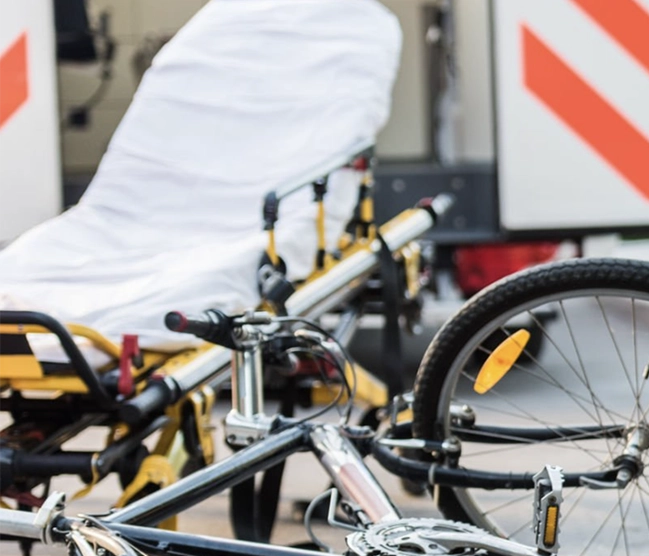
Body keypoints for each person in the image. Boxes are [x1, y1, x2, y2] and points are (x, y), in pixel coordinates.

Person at [0, 0, 401, 356]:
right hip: (127, 220)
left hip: (235, 231)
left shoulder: (355, 28)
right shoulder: (230, 21)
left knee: (191, 287)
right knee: (21, 267)